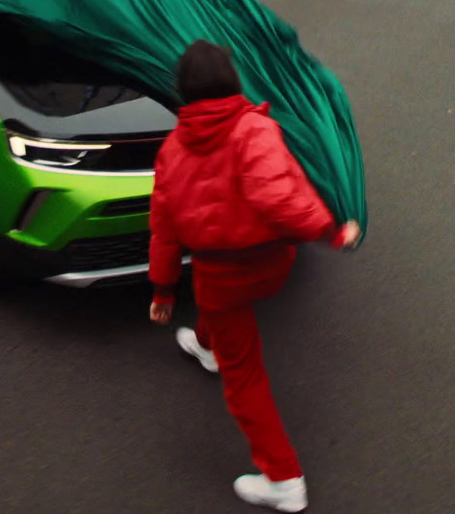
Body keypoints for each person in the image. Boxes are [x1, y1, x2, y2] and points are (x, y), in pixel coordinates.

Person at [148, 40, 361, 513]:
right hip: (272, 264)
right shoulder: (255, 128)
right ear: (231, 81)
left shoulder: (171, 152)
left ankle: (284, 480)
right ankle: (206, 347)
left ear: (183, 93)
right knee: (222, 319)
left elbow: (163, 229)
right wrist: (330, 233)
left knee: (244, 372)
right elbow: (280, 199)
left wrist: (163, 290)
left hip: (220, 275)